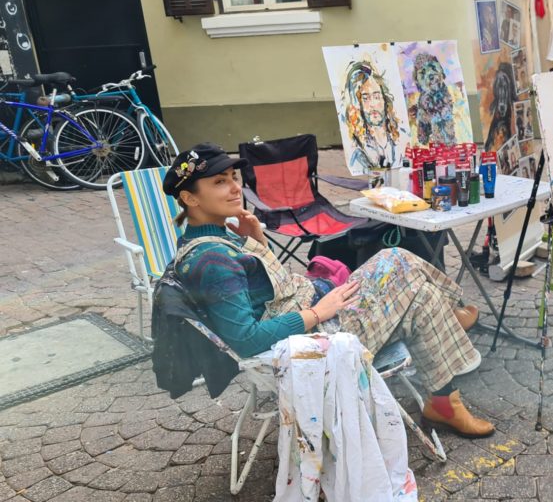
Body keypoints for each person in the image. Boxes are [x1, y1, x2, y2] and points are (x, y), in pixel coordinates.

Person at [162, 144, 494, 438]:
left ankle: (444, 404)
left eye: (234, 176)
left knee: (422, 296)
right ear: (189, 198)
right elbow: (246, 339)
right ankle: (453, 320)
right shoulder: (212, 259)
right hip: (316, 346)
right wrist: (318, 312)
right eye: (220, 182)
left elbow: (262, 292)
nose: (235, 188)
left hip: (316, 318)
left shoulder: (217, 236)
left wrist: (258, 242)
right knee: (395, 259)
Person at [344, 61, 405, 171]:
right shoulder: (359, 152)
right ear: (359, 105)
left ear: (385, 100)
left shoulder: (400, 141)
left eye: (376, 97)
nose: (372, 105)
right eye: (365, 98)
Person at [411, 52, 458, 147]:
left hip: (443, 117)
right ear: (418, 81)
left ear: (440, 69)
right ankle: (424, 132)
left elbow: (448, 115)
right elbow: (430, 119)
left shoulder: (446, 94)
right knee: (425, 124)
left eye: (433, 68)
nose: (430, 75)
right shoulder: (424, 100)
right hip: (428, 119)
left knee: (447, 120)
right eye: (423, 72)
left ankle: (449, 139)